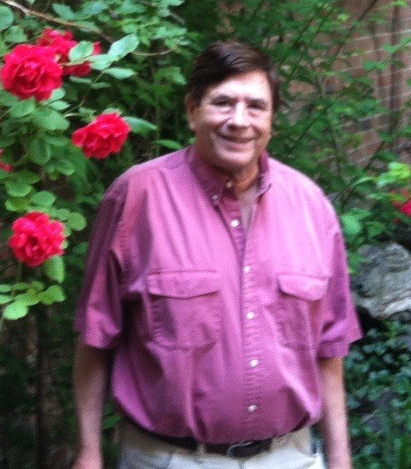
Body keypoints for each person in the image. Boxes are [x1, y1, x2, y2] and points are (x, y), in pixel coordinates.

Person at [72, 40, 362, 469]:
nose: (239, 121)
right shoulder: (137, 198)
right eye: (223, 103)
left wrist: (340, 460)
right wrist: (90, 452)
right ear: (193, 110)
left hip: (289, 457)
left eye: (255, 106)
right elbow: (96, 337)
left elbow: (329, 349)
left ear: (272, 120)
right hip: (170, 460)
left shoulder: (311, 206)